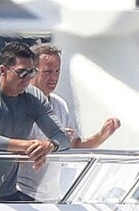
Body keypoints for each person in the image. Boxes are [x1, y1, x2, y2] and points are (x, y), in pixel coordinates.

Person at [0, 41, 70, 202]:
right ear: (3, 70)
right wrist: (29, 146)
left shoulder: (34, 97)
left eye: (32, 73)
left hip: (7, 193)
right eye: (22, 73)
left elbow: (62, 137)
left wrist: (49, 145)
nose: (27, 79)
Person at [17, 42, 121, 201]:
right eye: (47, 72)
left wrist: (102, 135)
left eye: (57, 71)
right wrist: (54, 141)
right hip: (21, 194)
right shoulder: (18, 104)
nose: (54, 78)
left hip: (51, 197)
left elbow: (75, 145)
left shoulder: (59, 104)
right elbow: (10, 147)